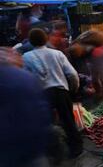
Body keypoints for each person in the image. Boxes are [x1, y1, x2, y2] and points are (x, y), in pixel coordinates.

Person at [23, 28, 83, 158]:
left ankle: (54, 151)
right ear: (46, 39)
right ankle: (76, 148)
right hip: (61, 91)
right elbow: (72, 74)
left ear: (31, 42)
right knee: (68, 121)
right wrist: (73, 88)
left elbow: (26, 78)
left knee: (47, 124)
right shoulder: (57, 54)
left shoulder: (26, 57)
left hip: (42, 95)